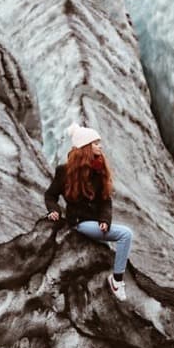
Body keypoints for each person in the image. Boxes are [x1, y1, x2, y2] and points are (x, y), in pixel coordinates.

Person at [45, 123, 133, 301]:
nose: (100, 146)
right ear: (86, 147)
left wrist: (105, 220)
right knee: (126, 235)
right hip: (79, 223)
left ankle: (116, 278)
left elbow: (106, 201)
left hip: (95, 224)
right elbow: (50, 195)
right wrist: (54, 211)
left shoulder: (99, 170)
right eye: (96, 143)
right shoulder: (64, 171)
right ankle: (116, 281)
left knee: (122, 236)